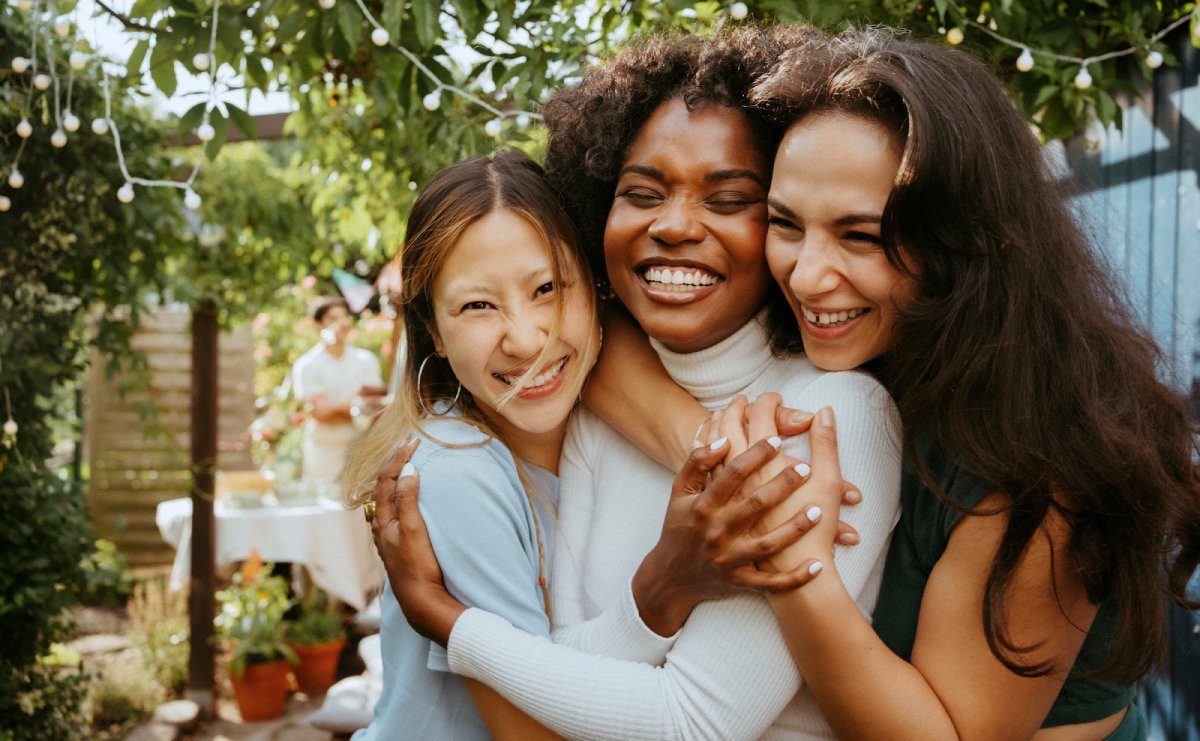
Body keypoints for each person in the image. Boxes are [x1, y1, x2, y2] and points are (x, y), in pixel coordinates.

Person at [552, 28, 1200, 739]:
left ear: (962, 242)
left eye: (860, 236)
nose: (807, 276)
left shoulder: (1039, 456)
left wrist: (794, 559)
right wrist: (734, 462)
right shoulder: (863, 341)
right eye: (785, 223)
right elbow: (587, 335)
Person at [369, 27, 906, 739]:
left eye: (728, 199)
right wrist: (664, 585)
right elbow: (557, 666)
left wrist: (450, 621)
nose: (675, 225)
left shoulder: (829, 414)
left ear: (782, 218)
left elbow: (692, 723)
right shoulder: (592, 410)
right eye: (643, 192)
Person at [341, 151, 602, 739]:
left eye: (547, 288)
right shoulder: (455, 469)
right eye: (478, 305)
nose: (526, 339)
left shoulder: (598, 437)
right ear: (433, 329)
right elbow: (535, 730)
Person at [292, 297, 385, 488]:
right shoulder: (308, 365)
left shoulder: (366, 360)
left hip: (362, 450)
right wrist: (356, 406)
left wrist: (339, 408)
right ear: (318, 325)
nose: (342, 323)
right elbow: (321, 413)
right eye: (333, 318)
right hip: (324, 451)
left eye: (344, 317)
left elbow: (376, 407)